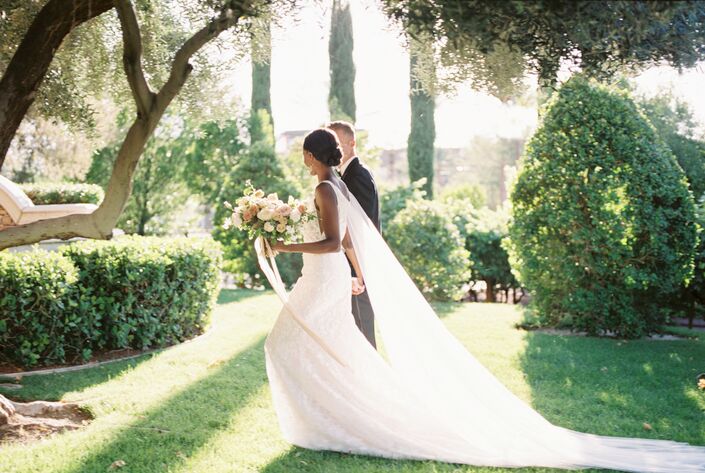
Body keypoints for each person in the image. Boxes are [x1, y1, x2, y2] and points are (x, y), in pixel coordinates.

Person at [265, 128, 705, 472]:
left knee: (285, 343)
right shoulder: (335, 186)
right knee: (333, 347)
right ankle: (333, 414)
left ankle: (335, 416)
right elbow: (345, 240)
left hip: (323, 277)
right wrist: (359, 273)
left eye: (303, 153)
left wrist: (283, 246)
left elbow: (332, 241)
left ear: (311, 155)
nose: (302, 159)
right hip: (328, 277)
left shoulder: (327, 189)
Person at [328, 120, 379, 349]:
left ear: (352, 143)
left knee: (363, 332)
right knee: (352, 333)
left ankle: (371, 371)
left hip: (358, 266)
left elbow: (361, 228)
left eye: (338, 143)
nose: (335, 150)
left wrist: (357, 272)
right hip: (350, 265)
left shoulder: (358, 176)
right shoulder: (345, 176)